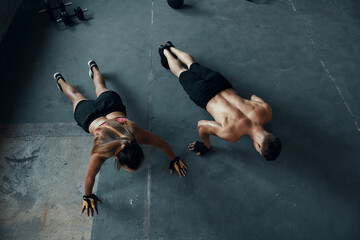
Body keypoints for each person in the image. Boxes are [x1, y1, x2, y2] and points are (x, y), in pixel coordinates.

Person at [54, 60, 187, 217]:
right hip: (92, 116)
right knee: (88, 92)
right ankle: (86, 71)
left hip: (111, 107)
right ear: (116, 157)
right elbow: (90, 176)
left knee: (82, 94)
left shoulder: (135, 133)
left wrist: (174, 159)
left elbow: (163, 144)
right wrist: (87, 196)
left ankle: (67, 77)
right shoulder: (102, 151)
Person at [158, 41, 282, 160]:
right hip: (203, 94)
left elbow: (254, 97)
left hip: (220, 83)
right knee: (181, 72)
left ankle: (171, 47)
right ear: (258, 146)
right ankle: (165, 52)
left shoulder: (266, 111)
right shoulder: (232, 134)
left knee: (193, 64)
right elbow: (201, 125)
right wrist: (205, 145)